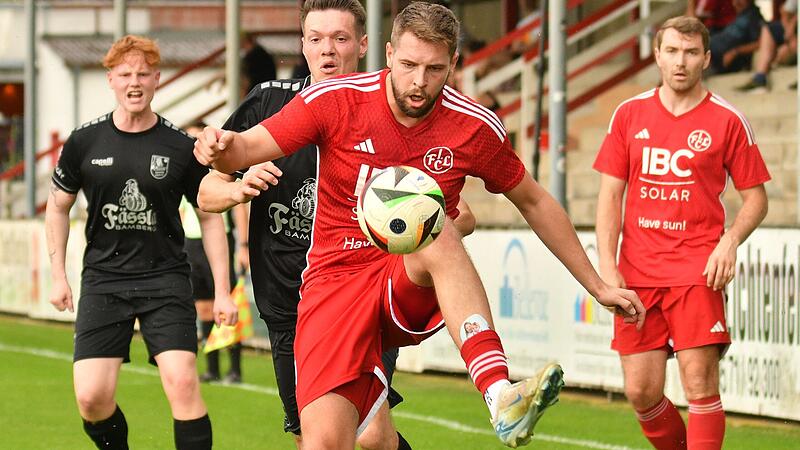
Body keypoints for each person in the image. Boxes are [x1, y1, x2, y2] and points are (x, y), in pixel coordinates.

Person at [194, 3, 645, 448]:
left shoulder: (472, 126)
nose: (418, 81)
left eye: (433, 69)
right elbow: (243, 149)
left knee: (435, 226)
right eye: (408, 65)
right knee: (332, 442)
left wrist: (598, 285)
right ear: (388, 54)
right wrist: (219, 145)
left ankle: (499, 394)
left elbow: (534, 201)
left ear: (454, 63)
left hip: (401, 282)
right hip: (332, 285)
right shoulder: (333, 101)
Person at [200, 1, 430, 448]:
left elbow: (451, 209)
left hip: (361, 300)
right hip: (286, 305)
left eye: (340, 39)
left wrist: (416, 215)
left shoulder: (393, 114)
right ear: (302, 46)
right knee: (316, 436)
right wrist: (236, 189)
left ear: (363, 45)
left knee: (371, 436)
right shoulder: (268, 102)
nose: (328, 51)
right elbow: (207, 192)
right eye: (316, 39)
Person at [45, 35, 238, 450]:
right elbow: (57, 208)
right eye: (126, 74)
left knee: (184, 382)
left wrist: (224, 290)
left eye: (143, 74)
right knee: (92, 398)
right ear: (111, 79)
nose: (135, 83)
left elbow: (209, 217)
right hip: (103, 280)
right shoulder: (83, 142)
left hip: (165, 280)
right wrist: (58, 275)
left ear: (157, 80)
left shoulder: (179, 147)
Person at [594, 16, 769, 450]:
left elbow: (756, 199)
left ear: (706, 59)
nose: (680, 62)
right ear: (656, 55)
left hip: (697, 271)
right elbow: (610, 196)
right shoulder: (629, 114)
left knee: (699, 384)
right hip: (637, 274)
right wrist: (606, 265)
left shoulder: (727, 120)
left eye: (691, 53)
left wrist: (728, 242)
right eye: (671, 51)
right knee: (641, 390)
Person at [182, 121, 249, 384]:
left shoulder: (221, 172)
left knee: (229, 303)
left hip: (220, 242)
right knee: (204, 307)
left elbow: (239, 207)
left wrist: (243, 245)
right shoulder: (185, 174)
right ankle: (212, 367)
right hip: (192, 244)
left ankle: (235, 369)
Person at [735, 0, 797, 91]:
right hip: (793, 39)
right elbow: (785, 11)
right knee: (768, 29)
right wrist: (789, 32)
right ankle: (760, 76)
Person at [708, 0, 766, 74]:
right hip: (708, 52)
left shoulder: (753, 17)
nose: (736, 2)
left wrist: (735, 51)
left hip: (717, 60)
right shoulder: (740, 15)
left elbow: (760, 43)